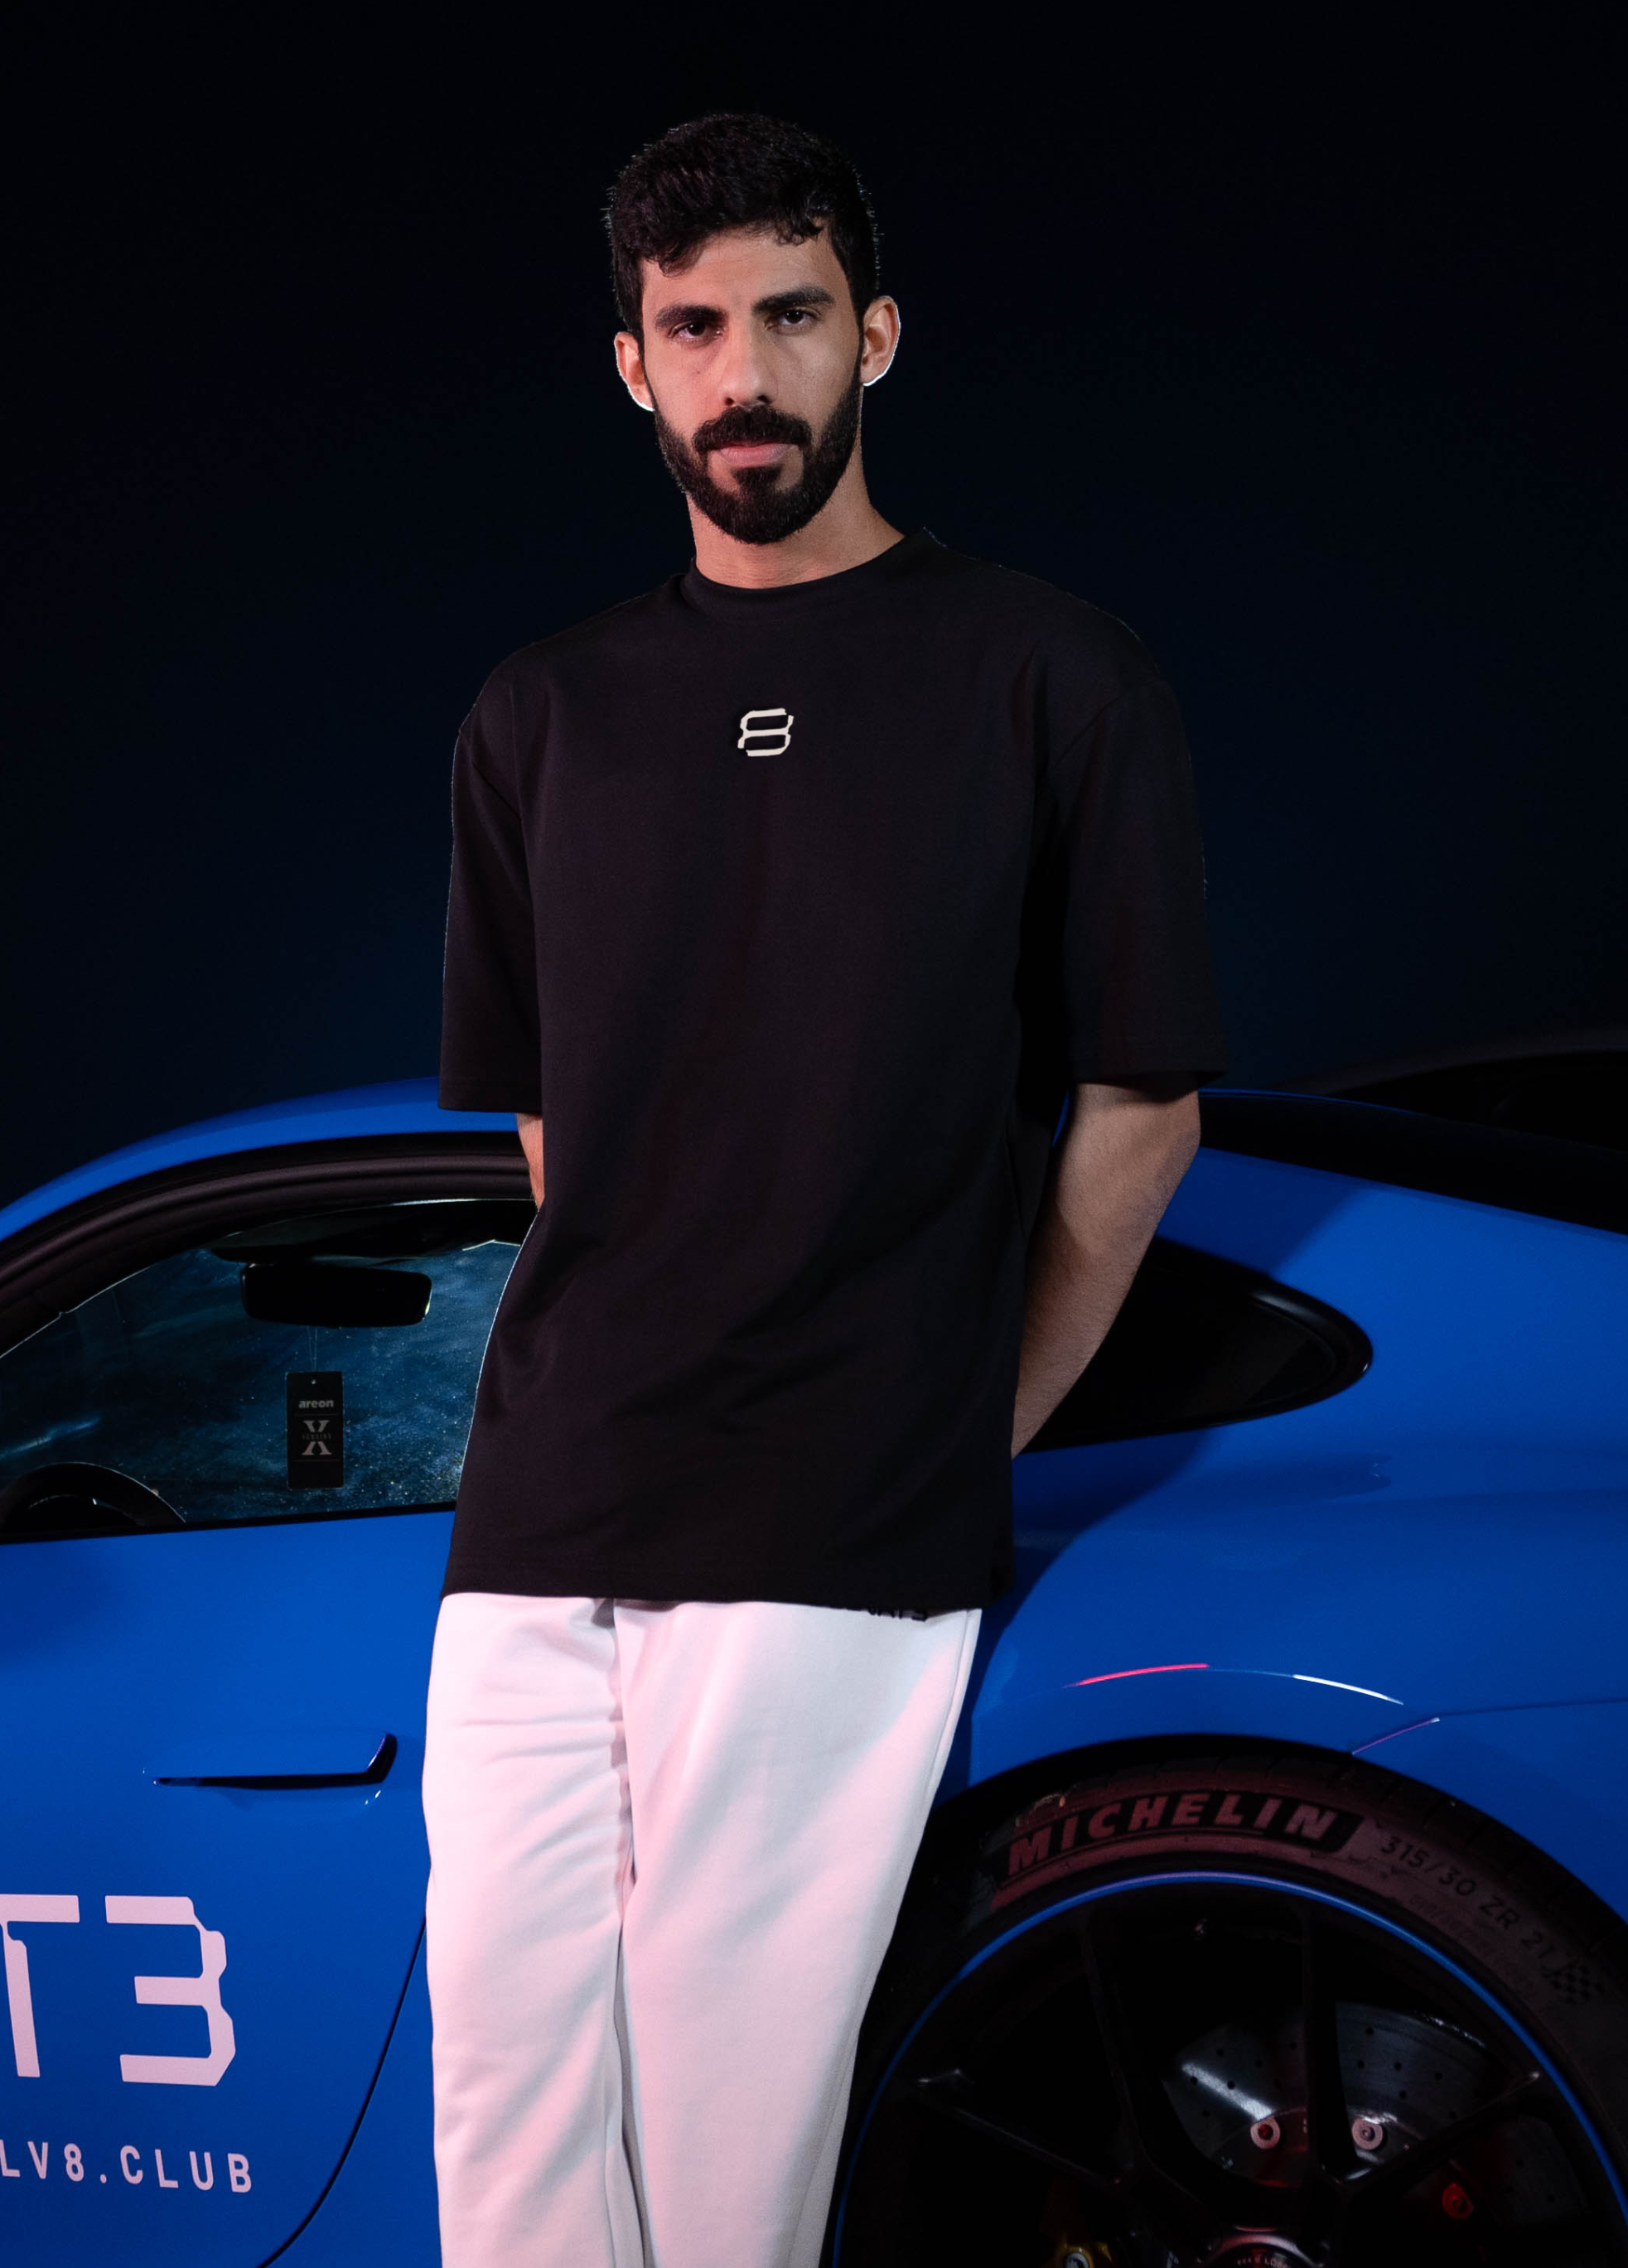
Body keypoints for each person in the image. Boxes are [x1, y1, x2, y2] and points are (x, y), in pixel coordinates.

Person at [424, 112, 1221, 2268]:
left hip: (836, 1522)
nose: (743, 374)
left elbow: (1145, 1105)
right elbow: (555, 1139)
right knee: (507, 2153)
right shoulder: (541, 714)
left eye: (790, 315)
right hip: (541, 1518)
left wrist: (968, 1425)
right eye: (693, 329)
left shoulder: (1050, 674)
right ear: (632, 367)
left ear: (875, 335)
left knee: (722, 2190)